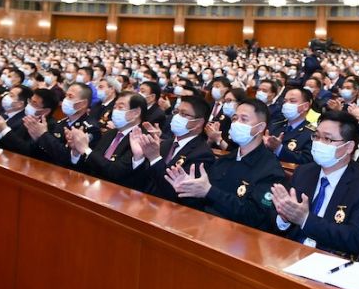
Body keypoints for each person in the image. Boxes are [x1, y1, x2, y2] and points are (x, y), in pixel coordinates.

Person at [270, 110, 359, 255]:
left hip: (329, 257)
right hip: (290, 251)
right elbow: (275, 222)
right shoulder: (303, 172)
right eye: (316, 136)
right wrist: (284, 218)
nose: (318, 143)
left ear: (349, 147)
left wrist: (305, 219)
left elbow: (356, 239)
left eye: (327, 139)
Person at [165, 98, 287, 232]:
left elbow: (255, 216)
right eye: (235, 119)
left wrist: (210, 191)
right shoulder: (224, 160)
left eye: (244, 119)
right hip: (204, 228)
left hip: (238, 236)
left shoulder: (271, 170)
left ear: (260, 127)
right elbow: (202, 203)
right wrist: (187, 189)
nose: (236, 123)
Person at [131, 94, 215, 201]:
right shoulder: (165, 144)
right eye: (176, 112)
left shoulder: (203, 154)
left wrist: (155, 158)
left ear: (199, 122)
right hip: (144, 200)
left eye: (184, 114)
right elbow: (143, 179)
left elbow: (175, 192)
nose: (177, 117)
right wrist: (138, 157)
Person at [66, 90, 146, 188]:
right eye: (115, 107)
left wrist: (86, 149)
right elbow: (91, 164)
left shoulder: (142, 139)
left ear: (136, 113)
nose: (115, 111)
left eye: (120, 107)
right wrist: (76, 151)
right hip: (92, 187)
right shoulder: (109, 133)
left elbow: (116, 172)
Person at [264, 86, 315, 165]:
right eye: (285, 101)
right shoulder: (275, 124)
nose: (286, 104)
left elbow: (306, 160)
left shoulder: (312, 133)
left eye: (292, 101)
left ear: (305, 106)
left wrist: (279, 149)